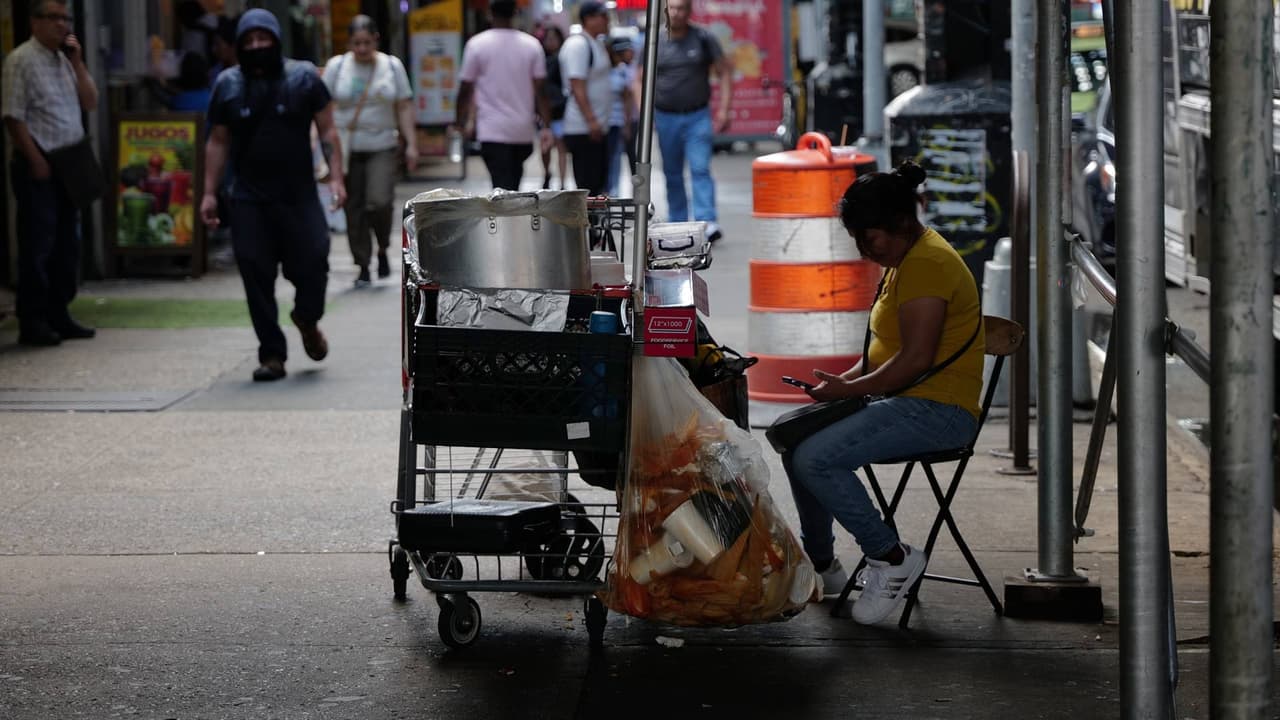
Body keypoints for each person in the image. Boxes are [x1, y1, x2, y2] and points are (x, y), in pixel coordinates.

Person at [782, 161, 985, 626]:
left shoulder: (928, 264)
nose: (863, 251)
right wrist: (842, 386)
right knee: (794, 443)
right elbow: (885, 353)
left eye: (868, 238)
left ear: (899, 223)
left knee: (815, 459)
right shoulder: (905, 260)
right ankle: (823, 565)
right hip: (905, 399)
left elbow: (914, 359)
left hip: (939, 410)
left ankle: (892, 558)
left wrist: (852, 388)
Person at [200, 9, 346, 382]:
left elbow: (327, 130)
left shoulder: (303, 78)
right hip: (248, 198)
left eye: (263, 38)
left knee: (314, 261)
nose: (256, 46)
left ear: (277, 40)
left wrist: (336, 178)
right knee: (254, 272)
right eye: (249, 40)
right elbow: (217, 141)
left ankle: (307, 319)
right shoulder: (228, 85)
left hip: (298, 196)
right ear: (239, 45)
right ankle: (271, 354)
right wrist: (208, 193)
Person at [1, 0, 99, 346]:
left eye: (65, 18)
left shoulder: (64, 60)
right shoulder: (21, 60)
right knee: (38, 244)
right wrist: (34, 159)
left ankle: (59, 312)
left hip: (70, 161)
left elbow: (90, 102)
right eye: (53, 18)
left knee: (67, 244)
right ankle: (33, 319)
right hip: (39, 161)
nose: (61, 25)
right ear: (35, 23)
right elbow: (13, 116)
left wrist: (78, 62)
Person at [322, 14, 416, 286]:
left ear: (376, 39)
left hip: (382, 145)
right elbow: (322, 108)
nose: (362, 48)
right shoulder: (337, 67)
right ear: (349, 43)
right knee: (353, 208)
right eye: (356, 43)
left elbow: (404, 106)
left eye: (367, 42)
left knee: (380, 202)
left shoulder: (391, 66)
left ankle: (383, 247)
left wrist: (411, 144)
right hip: (345, 149)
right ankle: (362, 264)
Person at [650, 0, 732, 241]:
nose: (676, 13)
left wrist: (724, 109)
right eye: (672, 8)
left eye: (681, 8)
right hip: (665, 116)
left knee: (700, 168)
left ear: (689, 11)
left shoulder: (703, 38)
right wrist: (644, 114)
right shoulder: (655, 40)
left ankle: (707, 222)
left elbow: (724, 72)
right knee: (672, 172)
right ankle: (678, 221)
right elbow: (640, 78)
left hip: (697, 116)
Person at [454, 0, 552, 191]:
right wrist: (546, 127)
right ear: (515, 13)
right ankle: (511, 209)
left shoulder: (477, 45)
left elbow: (465, 88)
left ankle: (506, 210)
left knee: (501, 184)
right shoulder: (531, 45)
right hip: (522, 130)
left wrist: (459, 121)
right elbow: (541, 90)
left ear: (490, 13)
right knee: (513, 181)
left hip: (491, 130)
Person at [558, 1, 613, 195]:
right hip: (584, 128)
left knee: (598, 186)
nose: (607, 20)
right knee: (588, 187)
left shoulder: (596, 43)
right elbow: (577, 85)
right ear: (588, 19)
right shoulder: (578, 45)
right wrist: (591, 121)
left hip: (597, 127)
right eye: (602, 16)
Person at [538, 25, 569, 190]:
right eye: (548, 39)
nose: (551, 42)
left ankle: (562, 182)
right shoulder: (540, 59)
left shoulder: (563, 60)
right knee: (545, 148)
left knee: (560, 147)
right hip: (545, 112)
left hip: (559, 110)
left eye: (554, 38)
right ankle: (547, 174)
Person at [605, 36, 636, 197]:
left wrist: (627, 123)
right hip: (603, 122)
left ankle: (614, 190)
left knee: (617, 156)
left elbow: (627, 99)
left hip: (618, 121)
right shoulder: (603, 70)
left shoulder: (624, 71)